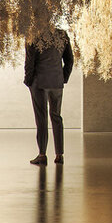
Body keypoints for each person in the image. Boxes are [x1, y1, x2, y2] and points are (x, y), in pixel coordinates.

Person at [24, 27, 73, 166]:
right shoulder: (62, 35)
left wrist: (28, 81)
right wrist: (63, 78)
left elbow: (30, 62)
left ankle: (42, 155)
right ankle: (59, 155)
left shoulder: (33, 34)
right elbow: (69, 60)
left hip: (39, 82)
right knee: (56, 117)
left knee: (41, 118)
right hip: (56, 82)